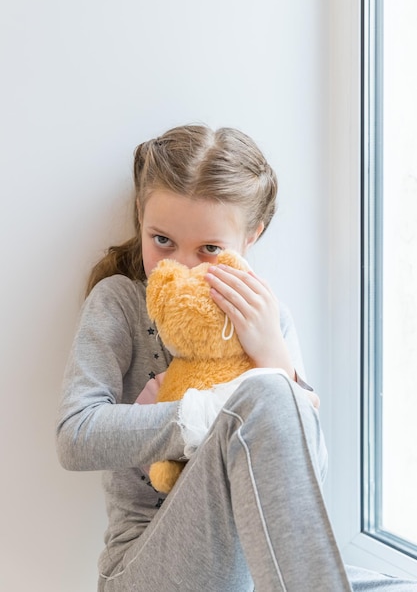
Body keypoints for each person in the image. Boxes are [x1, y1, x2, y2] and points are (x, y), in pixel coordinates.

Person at [56, 124, 417, 591]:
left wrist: (274, 357)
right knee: (266, 394)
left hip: (257, 570)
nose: (181, 266)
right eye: (161, 240)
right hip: (143, 567)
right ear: (141, 221)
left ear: (251, 238)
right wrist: (194, 416)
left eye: (209, 248)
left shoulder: (267, 317)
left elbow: (307, 482)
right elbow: (75, 436)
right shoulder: (120, 303)